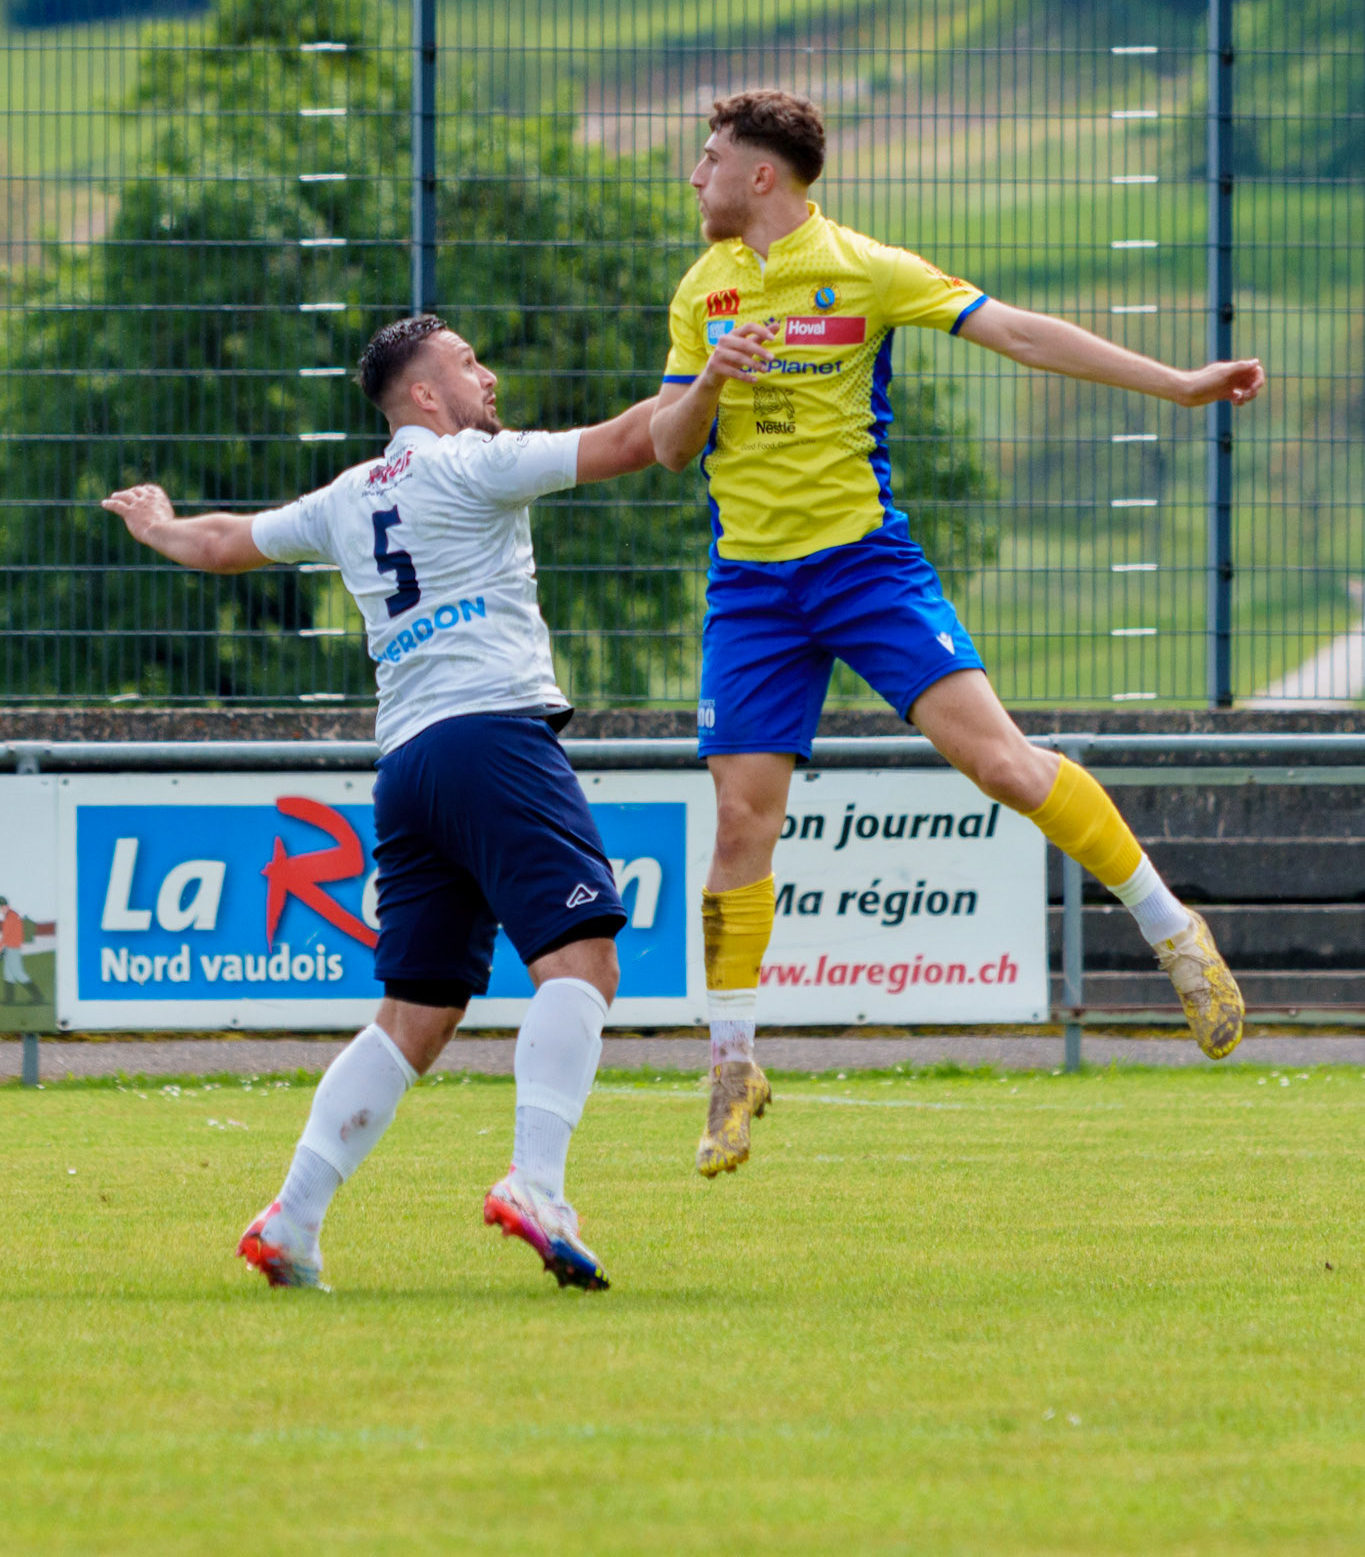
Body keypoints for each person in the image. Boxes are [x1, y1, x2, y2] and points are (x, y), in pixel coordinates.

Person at [652, 89, 1266, 1178]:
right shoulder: (704, 289)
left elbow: (1020, 332)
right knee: (739, 821)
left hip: (861, 565)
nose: (693, 176)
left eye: (709, 160)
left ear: (762, 177)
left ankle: (1174, 930)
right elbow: (665, 443)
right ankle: (733, 1061)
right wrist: (710, 378)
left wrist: (1177, 384)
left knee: (1002, 763)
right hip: (750, 586)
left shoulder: (867, 268)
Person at [103, 314, 657, 1292]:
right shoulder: (476, 463)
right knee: (583, 960)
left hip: (407, 763)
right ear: (427, 399)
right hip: (492, 734)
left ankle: (294, 1218)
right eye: (468, 362)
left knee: (419, 1010)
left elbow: (230, 540)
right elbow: (629, 439)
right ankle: (537, 1184)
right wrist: (719, 373)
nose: (488, 375)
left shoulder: (354, 493)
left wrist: (157, 525)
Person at [0, 897, 44, 1005]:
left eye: (1, 907)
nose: (1, 910)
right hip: (10, 948)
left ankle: (38, 997)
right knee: (8, 974)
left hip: (12, 948)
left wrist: (0, 949)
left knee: (18, 973)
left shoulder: (11, 917)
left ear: (6, 906)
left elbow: (5, 937)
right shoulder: (12, 916)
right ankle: (9, 1000)